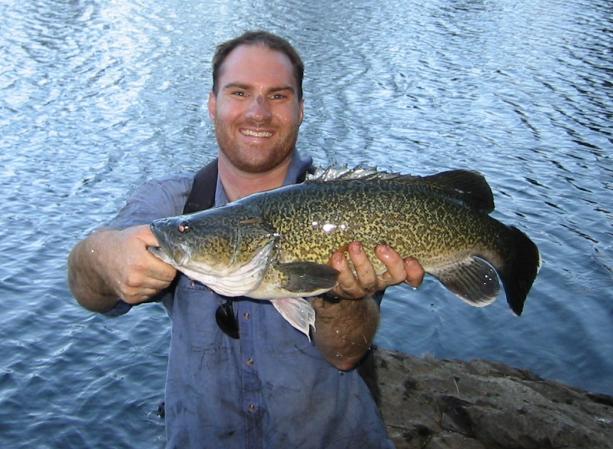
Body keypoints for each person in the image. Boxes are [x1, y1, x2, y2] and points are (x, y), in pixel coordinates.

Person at [68, 30, 424, 449]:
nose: (258, 112)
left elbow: (346, 354)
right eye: (239, 92)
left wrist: (338, 297)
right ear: (212, 104)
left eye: (277, 95)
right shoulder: (174, 204)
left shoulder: (343, 208)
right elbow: (87, 291)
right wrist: (105, 255)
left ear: (301, 109)